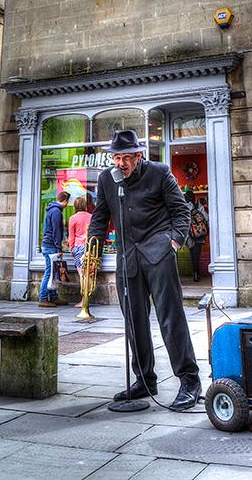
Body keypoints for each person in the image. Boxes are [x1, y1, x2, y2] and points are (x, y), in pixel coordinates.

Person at [88, 129, 201, 412]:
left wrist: (173, 241)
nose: (121, 163)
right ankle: (145, 379)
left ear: (138, 156)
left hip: (159, 254)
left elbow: (181, 212)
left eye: (126, 157)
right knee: (134, 321)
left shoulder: (159, 172)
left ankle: (189, 381)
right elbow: (100, 216)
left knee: (170, 318)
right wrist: (92, 250)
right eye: (116, 158)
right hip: (127, 258)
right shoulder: (107, 179)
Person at [38, 190, 70, 307]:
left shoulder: (52, 210)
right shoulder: (57, 212)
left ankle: (53, 297)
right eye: (67, 202)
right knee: (49, 273)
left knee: (53, 272)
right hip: (51, 246)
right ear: (65, 200)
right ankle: (43, 298)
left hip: (48, 244)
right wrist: (59, 248)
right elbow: (56, 231)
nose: (67, 205)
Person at [68, 197, 92, 307]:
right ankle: (87, 298)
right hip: (89, 248)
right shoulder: (91, 217)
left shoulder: (73, 218)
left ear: (75, 206)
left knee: (82, 275)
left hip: (78, 248)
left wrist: (71, 249)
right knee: (88, 274)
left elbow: (71, 237)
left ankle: (84, 301)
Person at [185, 189, 209, 282]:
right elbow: (206, 218)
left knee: (193, 255)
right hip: (199, 234)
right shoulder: (199, 206)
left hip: (190, 235)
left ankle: (195, 273)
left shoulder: (184, 207)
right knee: (197, 255)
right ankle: (196, 273)